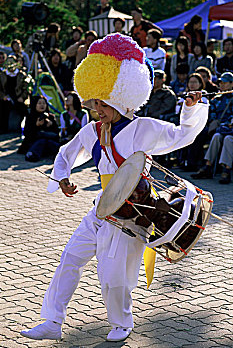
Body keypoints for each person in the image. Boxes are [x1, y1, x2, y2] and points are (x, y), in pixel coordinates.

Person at [20, 33, 208, 343]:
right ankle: (52, 320)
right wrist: (63, 177)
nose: (97, 109)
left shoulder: (142, 128)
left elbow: (181, 135)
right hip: (101, 208)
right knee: (70, 258)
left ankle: (122, 323)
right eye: (94, 103)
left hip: (133, 213)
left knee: (113, 278)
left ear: (120, 96)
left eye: (102, 102)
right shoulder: (92, 131)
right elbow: (68, 152)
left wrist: (189, 109)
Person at [191, 116, 233, 184]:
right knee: (216, 136)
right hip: (228, 130)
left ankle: (227, 169)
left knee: (228, 139)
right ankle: (208, 166)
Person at [17, 95, 60, 161]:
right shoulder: (30, 117)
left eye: (44, 103)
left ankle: (60, 155)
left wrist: (51, 125)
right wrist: (36, 125)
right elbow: (27, 134)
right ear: (35, 105)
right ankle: (32, 154)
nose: (42, 105)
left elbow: (56, 134)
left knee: (50, 142)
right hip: (33, 142)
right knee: (41, 141)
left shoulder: (50, 117)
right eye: (39, 103)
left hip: (47, 143)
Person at [0, 55, 30, 133]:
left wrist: (22, 97)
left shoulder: (22, 75)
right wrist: (3, 96)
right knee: (4, 109)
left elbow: (26, 89)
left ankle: (26, 128)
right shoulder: (2, 75)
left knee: (24, 111)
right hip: (6, 98)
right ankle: (4, 129)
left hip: (18, 97)